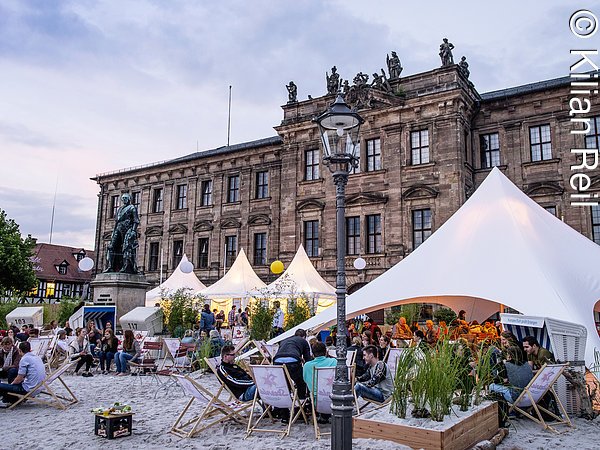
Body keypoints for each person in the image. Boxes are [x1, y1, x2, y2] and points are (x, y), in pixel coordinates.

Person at [273, 328, 313, 419]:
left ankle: (284, 414)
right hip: (293, 361)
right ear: (304, 336)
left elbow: (282, 352)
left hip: (277, 361)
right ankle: (299, 411)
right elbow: (308, 360)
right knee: (301, 384)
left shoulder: (285, 340)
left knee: (284, 386)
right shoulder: (303, 341)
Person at [0, 341, 46, 407]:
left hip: (28, 389)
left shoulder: (24, 359)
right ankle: (11, 398)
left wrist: (10, 385)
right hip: (39, 385)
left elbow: (19, 379)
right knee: (13, 371)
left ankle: (10, 399)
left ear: (20, 350)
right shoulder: (37, 357)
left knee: (2, 386)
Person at [105, 192, 140, 273]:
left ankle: (126, 266)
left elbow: (136, 221)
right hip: (118, 228)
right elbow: (117, 221)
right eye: (123, 198)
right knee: (111, 246)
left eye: (125, 198)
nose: (124, 200)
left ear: (129, 199)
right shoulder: (120, 209)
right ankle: (110, 266)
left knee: (126, 247)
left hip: (127, 229)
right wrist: (114, 231)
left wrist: (133, 231)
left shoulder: (132, 208)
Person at [303, 341, 337, 424]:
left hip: (317, 402)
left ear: (313, 354)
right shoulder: (334, 362)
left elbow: (306, 381)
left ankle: (323, 416)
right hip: (335, 399)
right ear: (325, 352)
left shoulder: (307, 366)